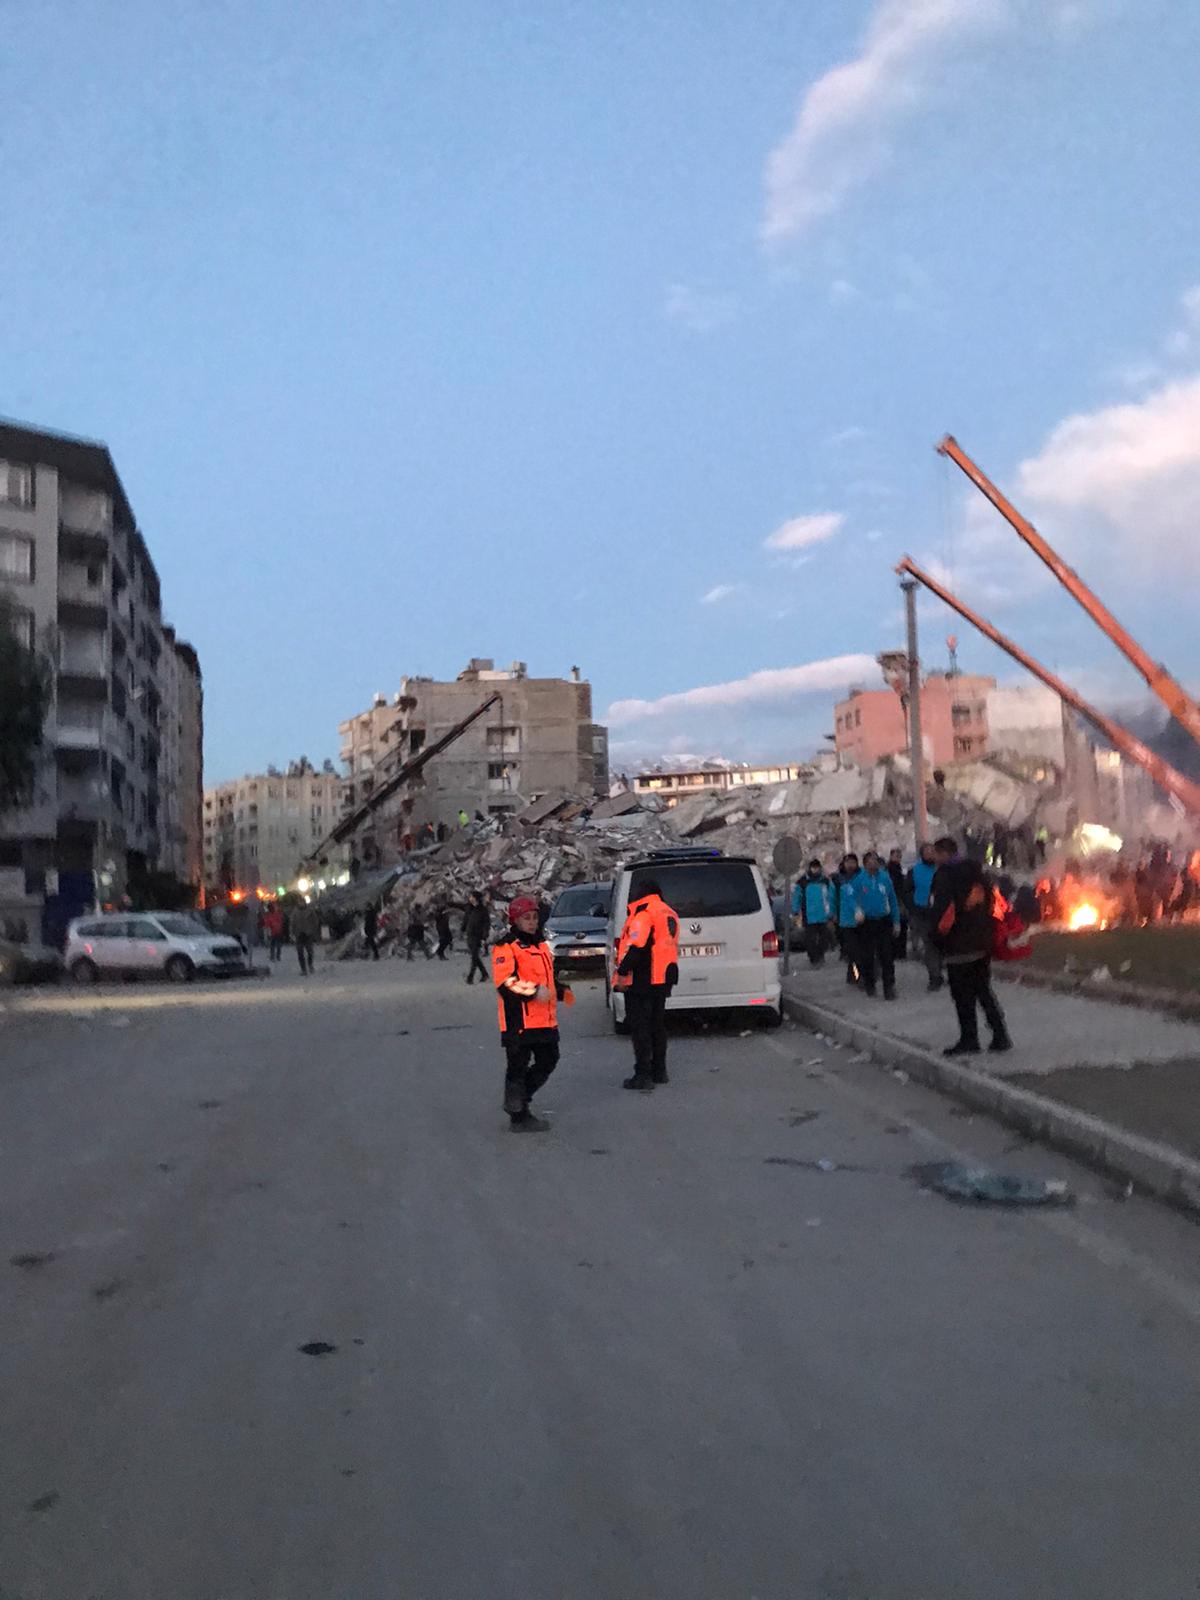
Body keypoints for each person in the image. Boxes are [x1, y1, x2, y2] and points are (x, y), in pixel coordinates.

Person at [493, 896, 574, 1132]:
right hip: (519, 1020)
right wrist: (533, 992)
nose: (531, 922)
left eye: (534, 918)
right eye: (526, 918)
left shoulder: (541, 945)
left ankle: (518, 1100)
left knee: (549, 1060)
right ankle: (519, 1116)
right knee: (517, 1067)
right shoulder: (506, 947)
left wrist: (561, 991)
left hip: (544, 1020)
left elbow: (547, 978)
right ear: (515, 921)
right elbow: (506, 984)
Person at [929, 836, 1012, 1056]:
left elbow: (944, 911)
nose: (934, 858)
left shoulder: (946, 876)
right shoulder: (978, 874)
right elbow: (993, 904)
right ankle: (1000, 1035)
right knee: (983, 991)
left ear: (944, 853)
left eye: (936, 853)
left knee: (962, 996)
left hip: (958, 945)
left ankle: (969, 1039)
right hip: (981, 943)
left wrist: (937, 938)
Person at [612, 877, 680, 1091]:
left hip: (643, 978)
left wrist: (622, 971)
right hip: (663, 976)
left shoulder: (644, 914)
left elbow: (637, 947)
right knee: (657, 1025)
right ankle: (660, 1071)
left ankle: (643, 1074)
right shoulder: (668, 912)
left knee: (640, 1027)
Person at [854, 851, 901, 1000]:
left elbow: (892, 900)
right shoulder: (859, 880)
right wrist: (857, 910)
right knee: (867, 956)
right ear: (865, 864)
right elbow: (851, 898)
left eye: (875, 861)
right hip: (866, 922)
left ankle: (889, 987)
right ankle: (870, 983)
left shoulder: (885, 878)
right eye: (870, 861)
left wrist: (896, 921)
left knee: (887, 955)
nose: (873, 864)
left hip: (883, 921)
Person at [905, 842, 943, 992]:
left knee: (941, 945)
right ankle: (934, 976)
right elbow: (907, 891)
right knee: (929, 945)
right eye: (927, 852)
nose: (931, 854)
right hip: (922, 913)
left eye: (933, 851)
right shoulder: (914, 871)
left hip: (940, 913)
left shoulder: (941, 869)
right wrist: (914, 907)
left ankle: (940, 971)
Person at [794, 858, 834, 967]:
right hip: (809, 916)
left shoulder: (825, 881)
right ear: (810, 868)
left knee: (824, 939)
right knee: (810, 940)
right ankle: (814, 958)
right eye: (813, 867)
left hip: (823, 915)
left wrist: (831, 912)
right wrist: (795, 910)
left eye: (817, 867)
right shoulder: (802, 882)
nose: (815, 870)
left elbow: (831, 897)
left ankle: (820, 955)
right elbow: (797, 896)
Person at [833, 853, 863, 986]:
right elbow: (833, 898)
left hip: (862, 920)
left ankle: (855, 975)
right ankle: (857, 976)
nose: (850, 865)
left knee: (861, 951)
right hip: (845, 921)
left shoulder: (862, 877)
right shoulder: (838, 880)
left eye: (853, 862)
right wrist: (833, 914)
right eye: (848, 862)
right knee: (853, 952)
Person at [463, 891, 491, 985]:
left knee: (474, 956)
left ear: (476, 898)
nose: (470, 898)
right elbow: (466, 919)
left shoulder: (482, 910)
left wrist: (485, 935)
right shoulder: (469, 908)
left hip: (477, 935)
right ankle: (484, 974)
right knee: (475, 956)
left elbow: (487, 923)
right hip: (469, 934)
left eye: (471, 896)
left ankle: (470, 977)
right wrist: (463, 928)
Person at [886, 847, 908, 960]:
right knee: (897, 925)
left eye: (899, 856)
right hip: (895, 899)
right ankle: (897, 951)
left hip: (901, 899)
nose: (898, 858)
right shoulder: (889, 870)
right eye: (896, 856)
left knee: (901, 925)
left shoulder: (900, 869)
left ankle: (900, 952)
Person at [292, 899, 318, 976]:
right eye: (299, 902)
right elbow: (292, 923)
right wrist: (292, 932)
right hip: (299, 934)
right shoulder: (295, 912)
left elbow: (315, 921)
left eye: (302, 902)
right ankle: (303, 969)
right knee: (300, 953)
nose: (301, 904)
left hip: (308, 934)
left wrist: (313, 930)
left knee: (310, 952)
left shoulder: (310, 911)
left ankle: (310, 965)